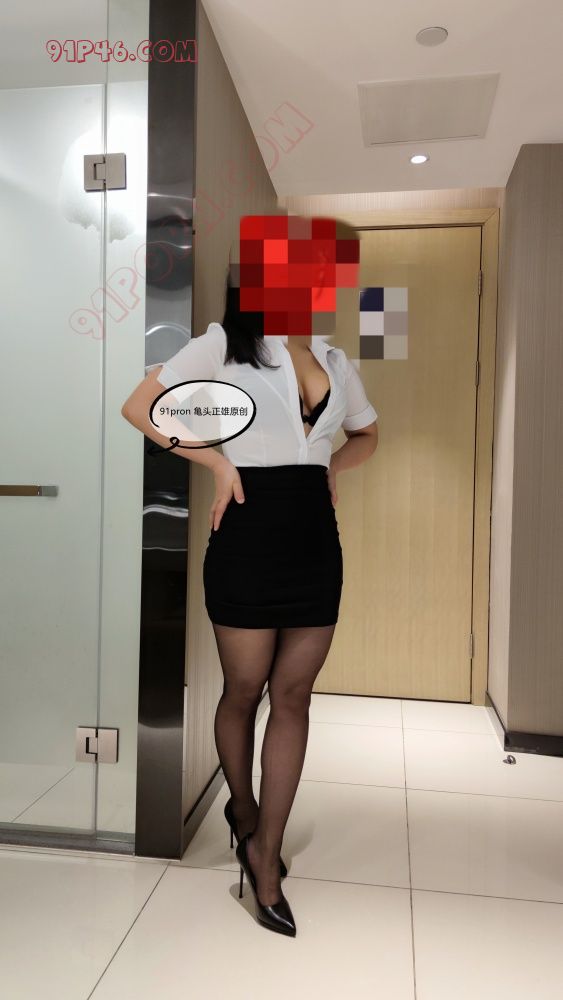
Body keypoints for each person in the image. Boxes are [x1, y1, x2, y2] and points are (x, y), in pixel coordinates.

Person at [121, 223, 378, 938]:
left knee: (293, 695)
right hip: (245, 530)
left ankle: (265, 853)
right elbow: (141, 408)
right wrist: (216, 462)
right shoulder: (221, 345)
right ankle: (242, 808)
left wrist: (331, 466)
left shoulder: (333, 357)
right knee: (244, 689)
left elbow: (367, 434)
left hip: (313, 540)